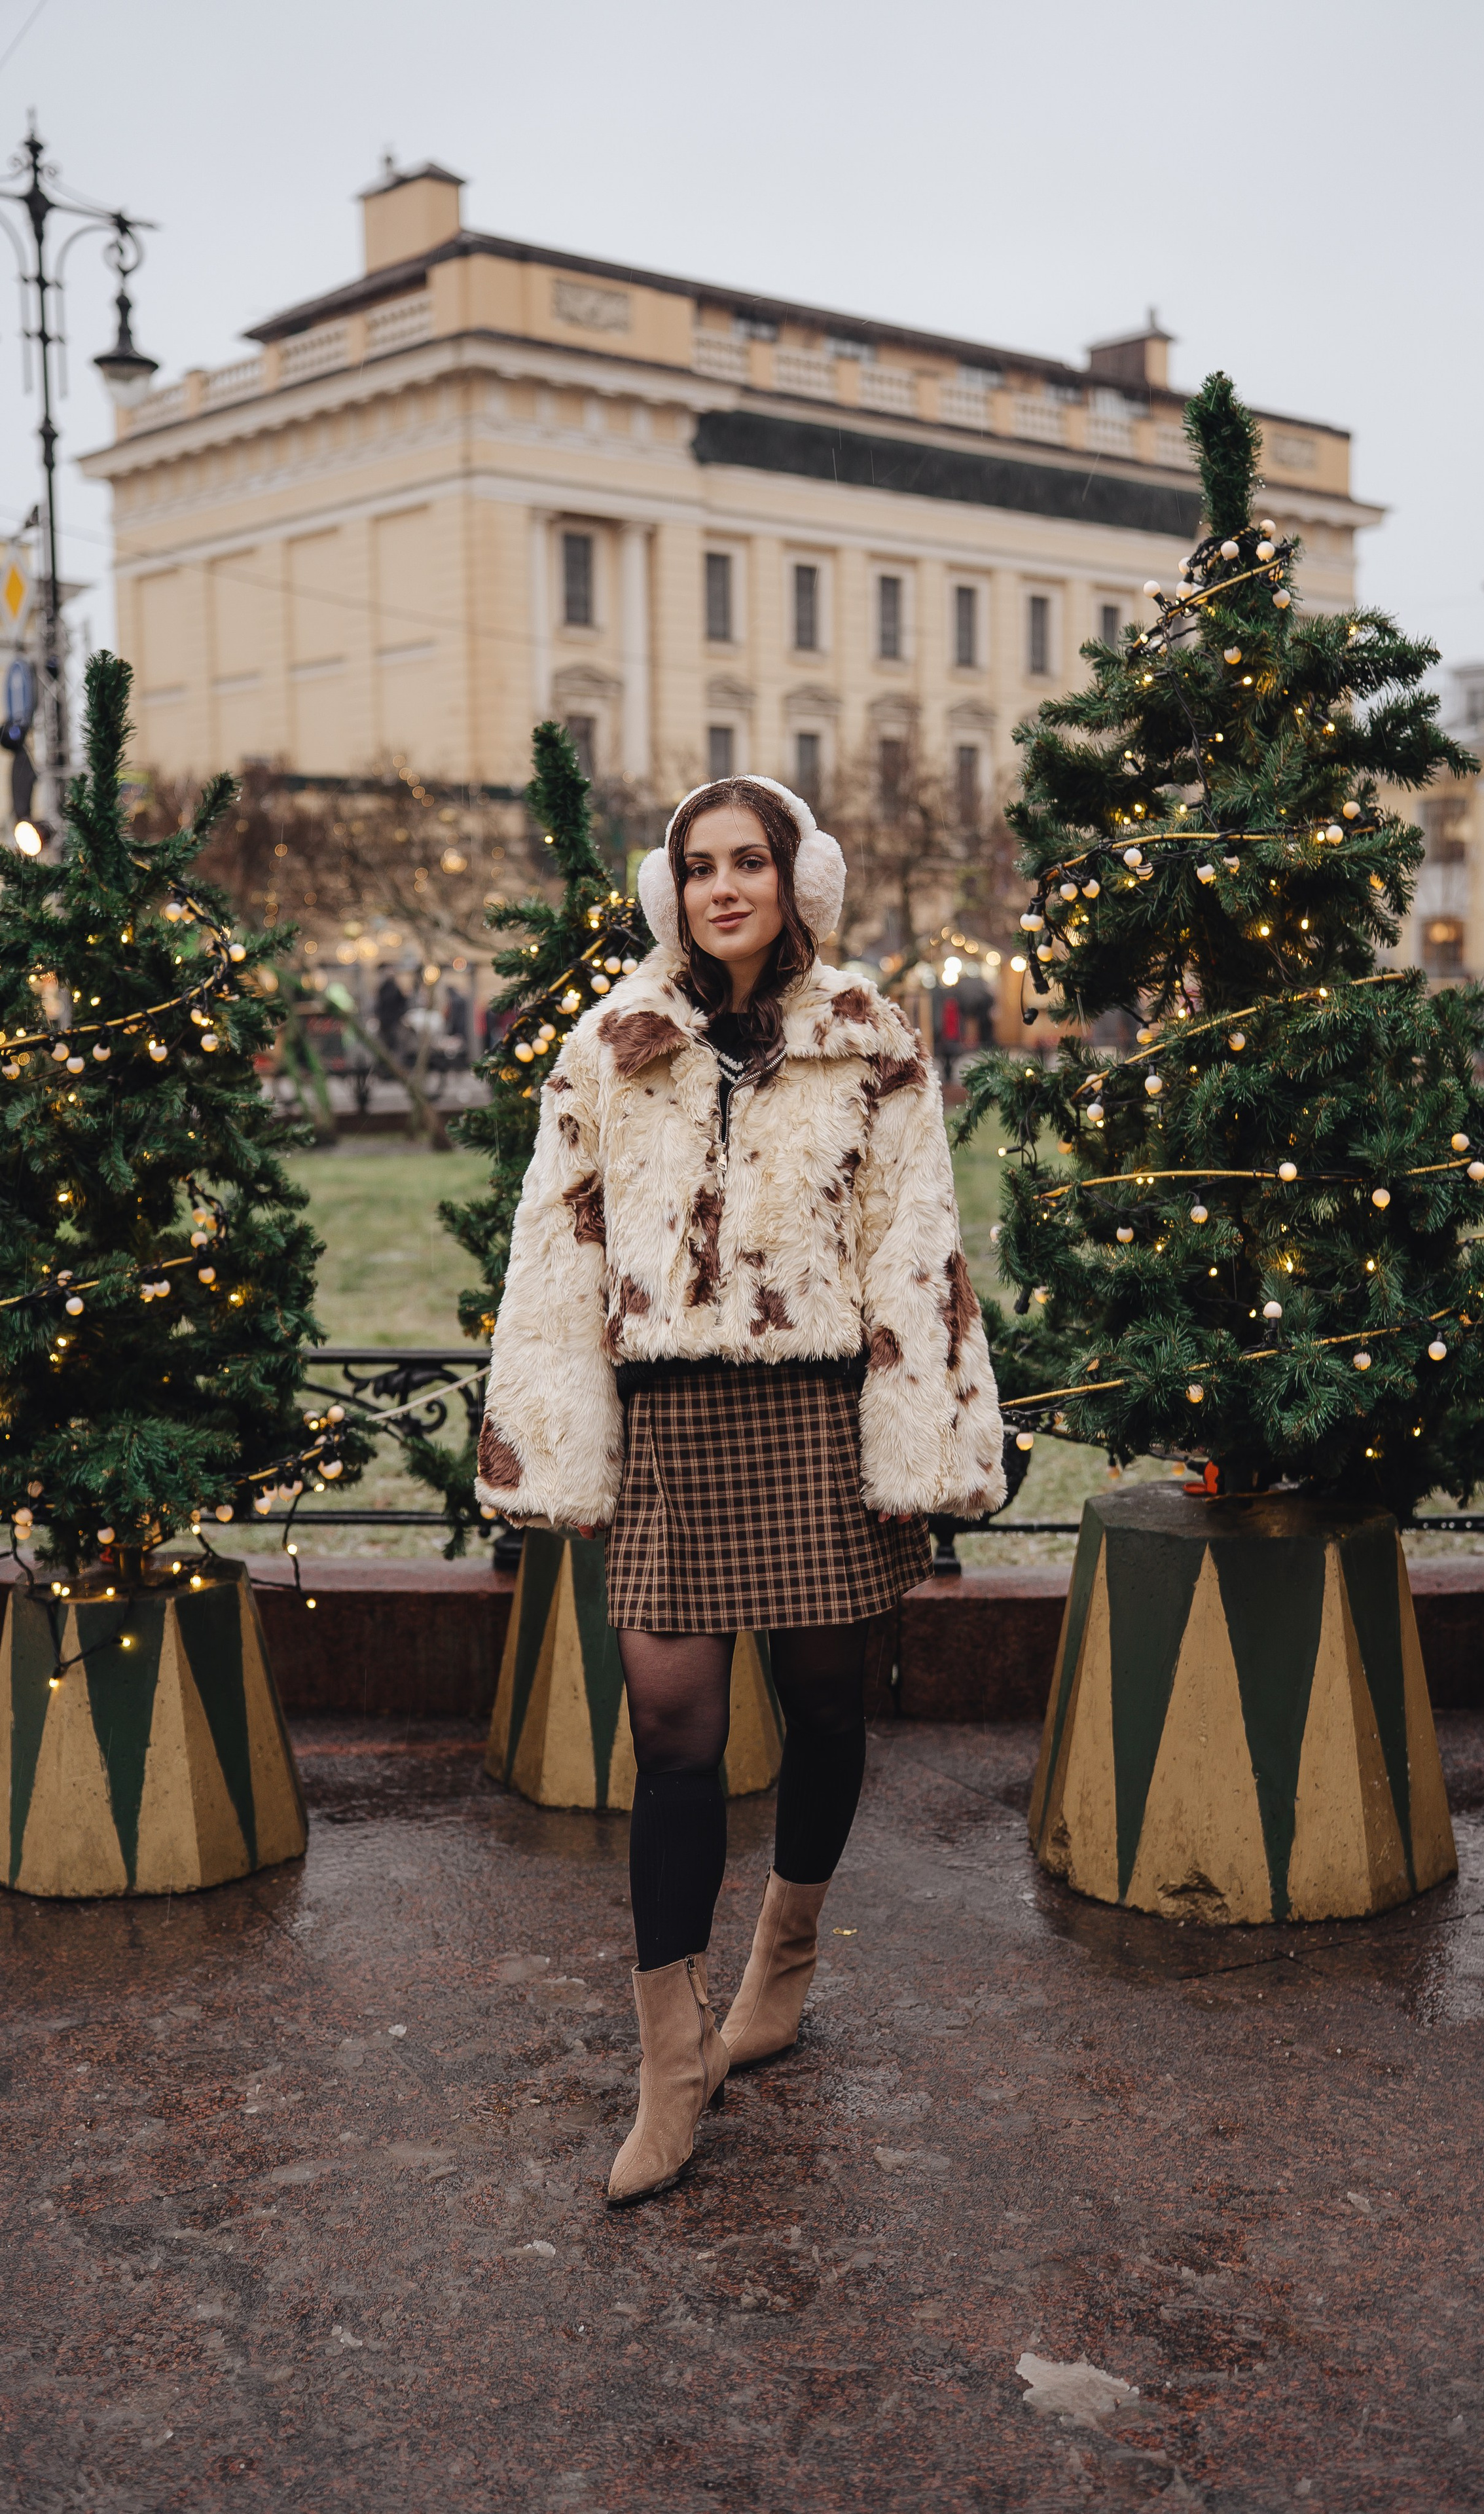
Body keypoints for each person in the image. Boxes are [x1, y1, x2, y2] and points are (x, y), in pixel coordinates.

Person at [475, 776, 1006, 2206]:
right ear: (670, 890)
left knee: (829, 1706)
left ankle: (783, 1958)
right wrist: (551, 1435)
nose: (722, 888)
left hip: (816, 1422)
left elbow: (916, 1245)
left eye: (749, 863)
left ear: (793, 880)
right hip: (669, 1427)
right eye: (698, 866)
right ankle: (669, 2063)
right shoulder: (610, 1042)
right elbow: (555, 1251)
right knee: (672, 1728)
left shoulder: (869, 1039)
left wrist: (918, 1439)